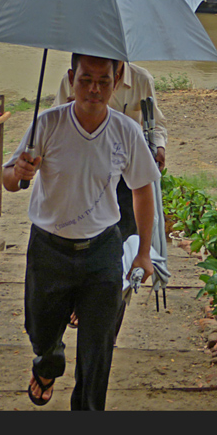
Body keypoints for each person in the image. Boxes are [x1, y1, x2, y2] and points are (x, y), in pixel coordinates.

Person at [3, 54, 161, 410]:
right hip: (49, 250)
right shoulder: (47, 124)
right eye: (85, 79)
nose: (94, 89)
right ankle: (48, 361)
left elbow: (142, 190)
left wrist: (144, 252)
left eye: (103, 81)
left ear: (116, 81)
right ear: (71, 79)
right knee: (40, 331)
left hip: (103, 250)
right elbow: (9, 179)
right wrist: (21, 173)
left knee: (98, 348)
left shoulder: (126, 132)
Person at [53, 61, 169, 335]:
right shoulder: (73, 79)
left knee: (119, 253)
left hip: (126, 180)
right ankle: (78, 304)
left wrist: (159, 147)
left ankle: (107, 330)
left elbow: (157, 123)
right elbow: (55, 122)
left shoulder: (141, 79)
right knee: (80, 244)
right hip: (83, 178)